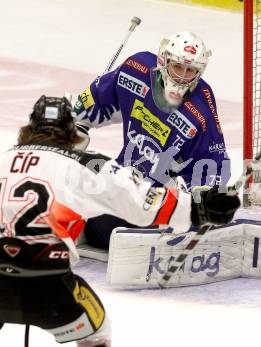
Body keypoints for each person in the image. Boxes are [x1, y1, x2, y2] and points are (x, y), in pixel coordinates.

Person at [0, 96, 240, 346]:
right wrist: (200, 207)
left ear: (29, 129)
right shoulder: (84, 164)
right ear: (72, 132)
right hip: (50, 287)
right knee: (98, 334)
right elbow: (141, 202)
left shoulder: (3, 160)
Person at [73, 31, 232, 248]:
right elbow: (93, 101)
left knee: (102, 216)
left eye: (191, 70)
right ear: (163, 60)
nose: (182, 77)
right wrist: (68, 126)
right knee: (79, 165)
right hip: (124, 184)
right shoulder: (135, 69)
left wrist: (204, 203)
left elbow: (212, 166)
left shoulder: (199, 110)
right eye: (177, 67)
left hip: (155, 205)